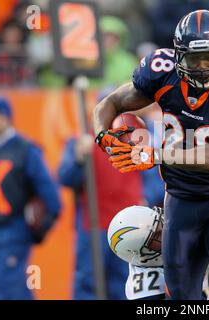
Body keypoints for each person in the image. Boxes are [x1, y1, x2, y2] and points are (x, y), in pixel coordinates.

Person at [93, 10, 209, 300]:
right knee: (181, 299)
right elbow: (110, 102)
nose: (202, 67)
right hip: (180, 199)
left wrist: (155, 155)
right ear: (178, 57)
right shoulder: (162, 73)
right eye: (193, 59)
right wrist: (103, 135)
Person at [0, 97, 61, 299]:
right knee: (12, 289)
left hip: (14, 228)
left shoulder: (25, 149)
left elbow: (47, 188)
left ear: (8, 118)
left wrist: (47, 220)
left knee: (3, 289)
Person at [58, 105, 144, 299]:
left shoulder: (134, 139)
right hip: (93, 226)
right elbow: (65, 177)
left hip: (128, 228)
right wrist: (79, 159)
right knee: (87, 284)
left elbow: (154, 178)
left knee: (124, 285)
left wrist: (142, 200)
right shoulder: (80, 141)